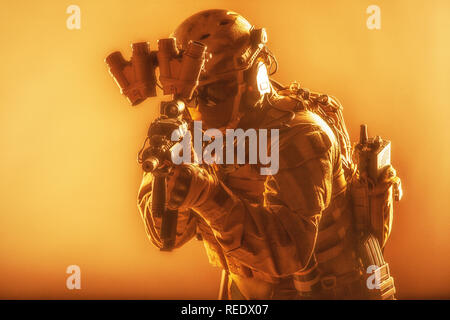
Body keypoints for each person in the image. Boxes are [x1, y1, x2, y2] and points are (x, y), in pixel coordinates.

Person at [137, 9, 399, 299]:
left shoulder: (300, 136)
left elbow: (287, 255)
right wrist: (171, 183)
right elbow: (167, 237)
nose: (201, 112)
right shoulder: (192, 134)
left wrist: (206, 195)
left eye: (216, 93)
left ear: (255, 77)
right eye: (194, 97)